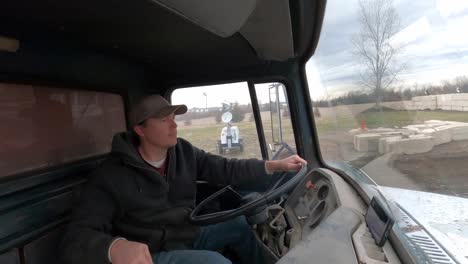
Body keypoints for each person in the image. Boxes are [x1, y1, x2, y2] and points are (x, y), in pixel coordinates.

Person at [61, 95, 306, 264]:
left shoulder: (184, 152)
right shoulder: (110, 175)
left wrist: (273, 165)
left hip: (187, 235)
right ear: (140, 130)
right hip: (152, 252)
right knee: (217, 263)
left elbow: (225, 168)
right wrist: (114, 247)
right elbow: (76, 237)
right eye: (164, 119)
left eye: (174, 117)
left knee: (239, 226)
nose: (174, 124)